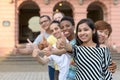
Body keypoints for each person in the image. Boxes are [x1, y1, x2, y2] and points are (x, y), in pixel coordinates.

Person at [13, 15, 57, 80]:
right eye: (41, 23)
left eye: (45, 21)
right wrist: (19, 50)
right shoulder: (41, 36)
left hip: (65, 65)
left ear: (50, 21)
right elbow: (32, 49)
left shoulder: (57, 31)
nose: (43, 23)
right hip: (52, 66)